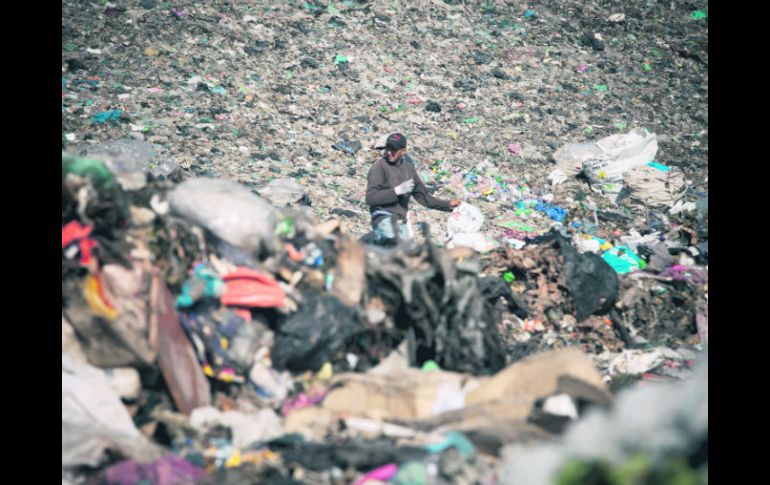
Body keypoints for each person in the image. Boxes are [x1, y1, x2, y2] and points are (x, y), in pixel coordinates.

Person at [364, 133, 459, 246]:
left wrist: (449, 205)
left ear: (403, 151)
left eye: (393, 149)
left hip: (401, 222)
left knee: (406, 254)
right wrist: (396, 191)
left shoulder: (408, 169)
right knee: (396, 246)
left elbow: (424, 197)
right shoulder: (379, 167)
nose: (389, 152)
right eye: (388, 148)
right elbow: (370, 198)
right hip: (383, 217)